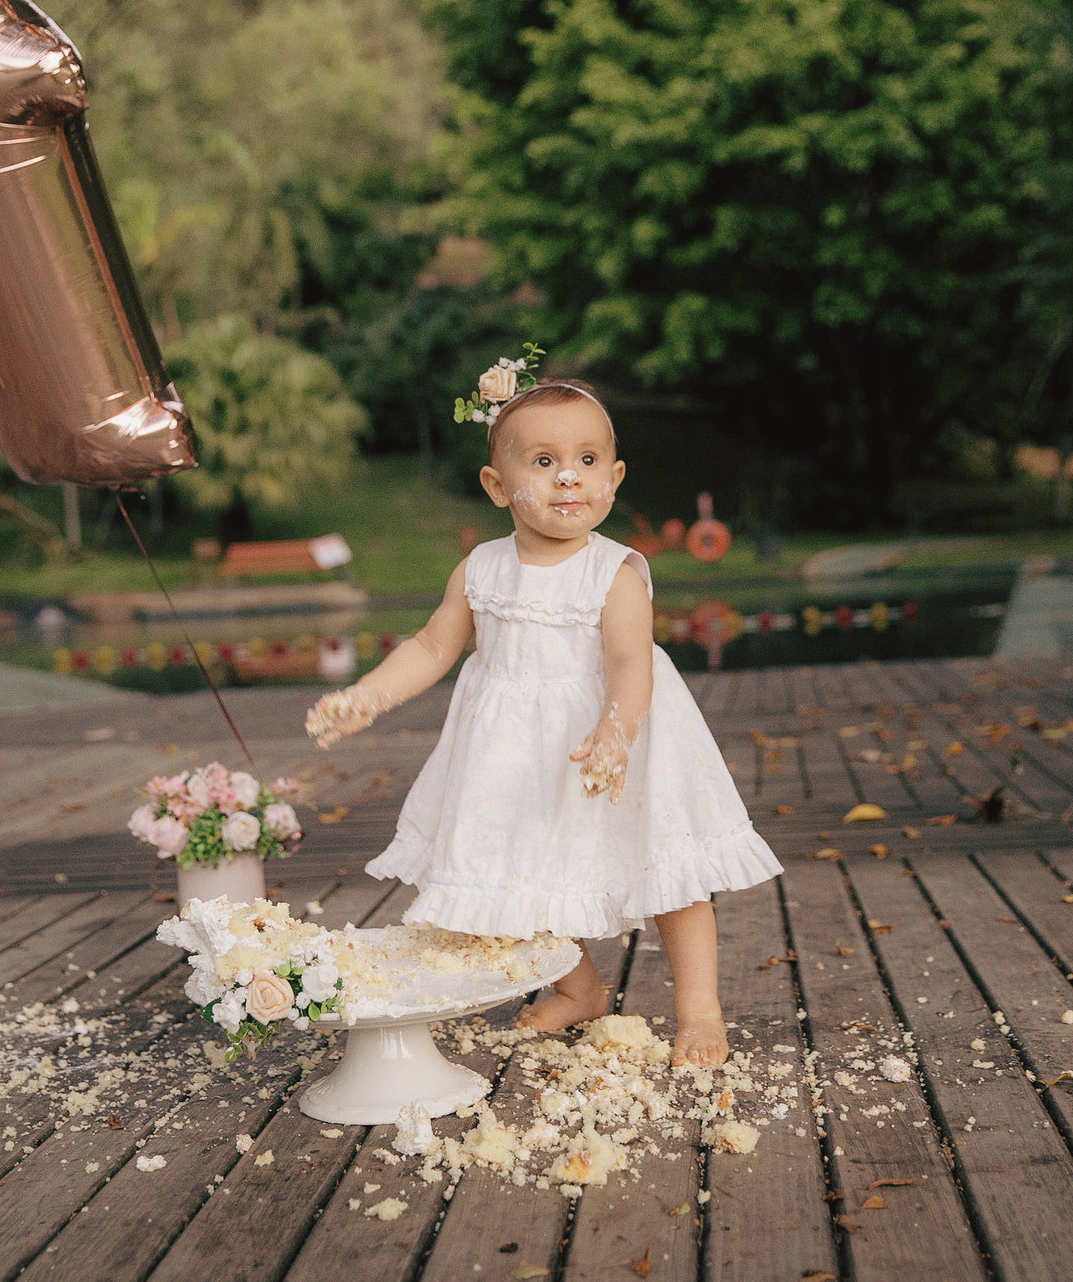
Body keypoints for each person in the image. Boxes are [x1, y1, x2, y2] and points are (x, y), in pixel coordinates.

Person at [305, 358, 782, 1066]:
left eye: (587, 460)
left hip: (615, 740)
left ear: (613, 479)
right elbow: (434, 644)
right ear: (498, 487)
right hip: (511, 753)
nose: (569, 476)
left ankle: (699, 1011)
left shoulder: (613, 571)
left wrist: (616, 731)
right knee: (512, 875)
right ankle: (580, 987)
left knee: (669, 871)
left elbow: (630, 661)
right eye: (544, 461)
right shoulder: (481, 570)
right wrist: (368, 694)